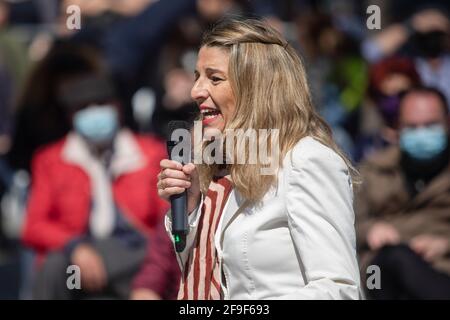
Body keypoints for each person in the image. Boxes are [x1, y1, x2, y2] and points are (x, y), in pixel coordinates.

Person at [157, 17, 362, 300]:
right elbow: (208, 278)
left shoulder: (307, 160)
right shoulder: (217, 166)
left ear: (255, 87)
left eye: (214, 78)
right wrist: (190, 207)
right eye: (197, 77)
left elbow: (339, 290)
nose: (195, 92)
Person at [22, 74, 168, 299]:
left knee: (153, 266)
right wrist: (75, 247)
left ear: (117, 108)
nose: (94, 112)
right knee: (55, 268)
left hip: (135, 255)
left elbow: (166, 218)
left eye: (101, 104)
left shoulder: (149, 153)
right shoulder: (51, 159)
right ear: (71, 116)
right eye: (84, 107)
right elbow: (34, 225)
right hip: (78, 262)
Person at [356, 86, 450, 299]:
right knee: (390, 262)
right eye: (412, 126)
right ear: (398, 127)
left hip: (441, 270)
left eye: (430, 125)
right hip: (378, 271)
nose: (422, 133)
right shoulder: (373, 170)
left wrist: (445, 244)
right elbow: (346, 223)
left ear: (447, 122)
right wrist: (370, 229)